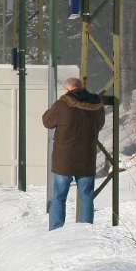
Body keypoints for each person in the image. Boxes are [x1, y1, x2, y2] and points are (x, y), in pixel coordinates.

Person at [42, 77, 105, 230]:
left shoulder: (63, 104)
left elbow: (47, 121)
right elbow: (100, 124)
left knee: (59, 196)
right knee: (86, 195)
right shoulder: (96, 104)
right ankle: (85, 230)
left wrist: (54, 106)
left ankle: (56, 229)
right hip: (86, 157)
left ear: (68, 89)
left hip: (64, 159)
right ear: (81, 87)